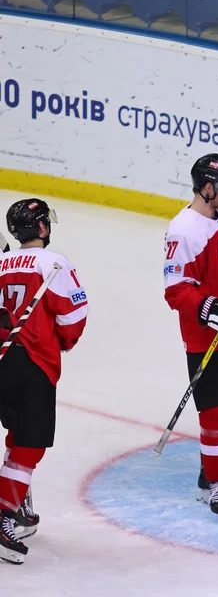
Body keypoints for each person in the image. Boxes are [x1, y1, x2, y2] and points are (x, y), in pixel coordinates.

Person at [164, 153, 218, 518]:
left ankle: (213, 473)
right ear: (206, 188)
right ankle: (216, 483)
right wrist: (209, 309)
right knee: (215, 412)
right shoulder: (183, 230)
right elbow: (176, 289)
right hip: (207, 337)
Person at [0, 198, 88, 564]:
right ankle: (4, 515)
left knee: (17, 435)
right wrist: (62, 342)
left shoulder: (2, 264)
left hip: (3, 358)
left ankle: (16, 509)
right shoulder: (53, 263)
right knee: (30, 444)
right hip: (34, 361)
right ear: (41, 227)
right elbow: (73, 315)